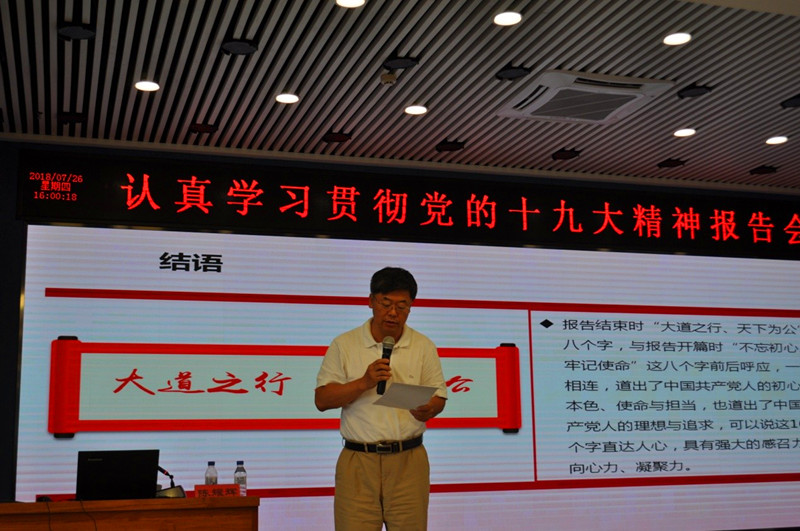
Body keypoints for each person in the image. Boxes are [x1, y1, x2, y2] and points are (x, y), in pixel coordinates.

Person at [315, 266, 447, 530]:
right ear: (371, 301)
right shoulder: (345, 344)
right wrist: (363, 383)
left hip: (409, 461)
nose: (393, 313)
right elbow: (323, 399)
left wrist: (429, 408)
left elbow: (439, 397)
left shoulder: (423, 345)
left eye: (402, 306)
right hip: (358, 461)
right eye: (386, 304)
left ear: (411, 307)